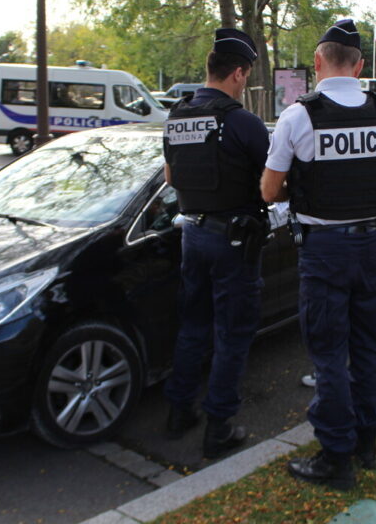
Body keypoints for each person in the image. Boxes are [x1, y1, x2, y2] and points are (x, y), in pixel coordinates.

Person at [261, 18, 376, 490]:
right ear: (360, 64)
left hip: (325, 249)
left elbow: (269, 192)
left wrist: (314, 180)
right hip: (372, 244)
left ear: (318, 62)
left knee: (329, 353)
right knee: (366, 346)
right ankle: (367, 440)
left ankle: (335, 456)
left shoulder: (298, 115)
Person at [162, 27, 271, 459]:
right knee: (232, 333)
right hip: (234, 242)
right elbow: (273, 185)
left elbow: (172, 178)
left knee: (193, 327)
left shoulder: (178, 115)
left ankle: (178, 412)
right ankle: (218, 427)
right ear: (239, 74)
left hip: (192, 234)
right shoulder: (243, 122)